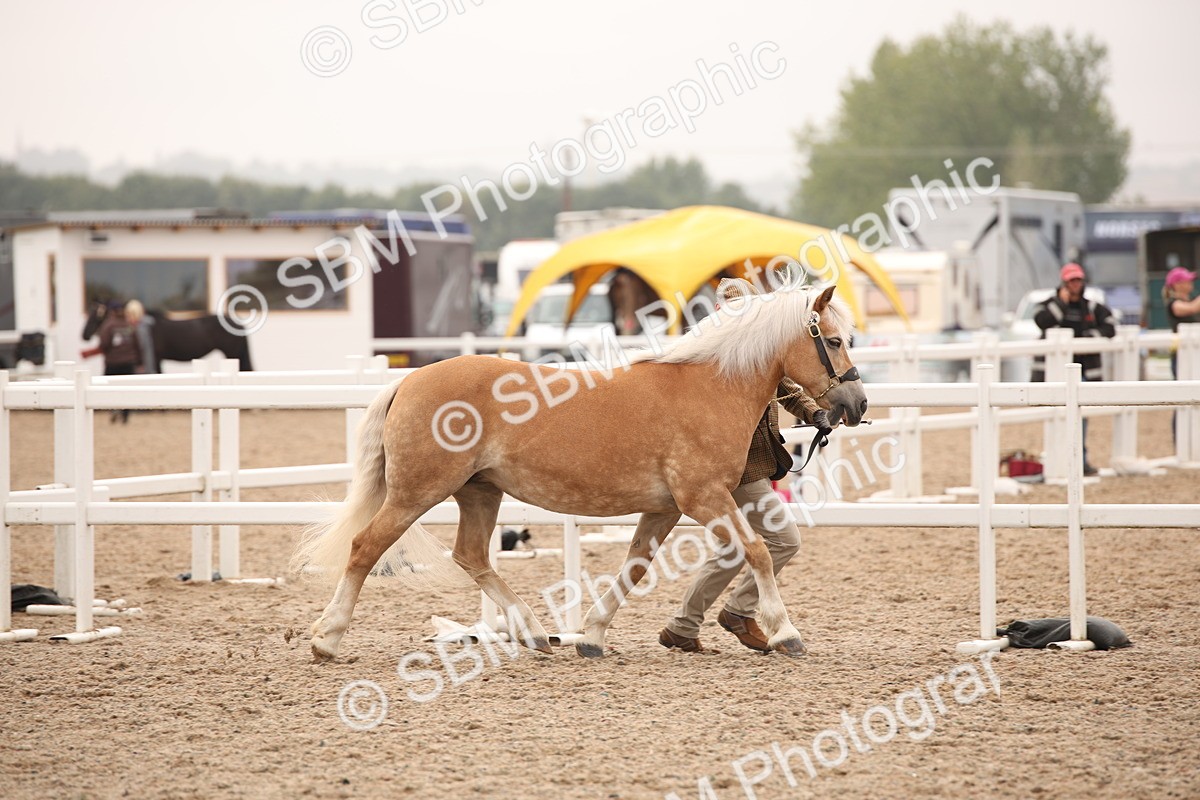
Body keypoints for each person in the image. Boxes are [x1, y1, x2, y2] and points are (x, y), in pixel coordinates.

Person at [659, 377, 828, 654]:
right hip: (741, 470)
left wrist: (815, 413)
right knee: (785, 539)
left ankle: (682, 626)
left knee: (734, 549)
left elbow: (789, 393)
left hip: (751, 467)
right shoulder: (732, 362)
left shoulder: (765, 355)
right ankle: (739, 611)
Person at [1032, 262, 1117, 476]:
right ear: (1063, 283)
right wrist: (1061, 303)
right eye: (1071, 281)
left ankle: (1080, 460)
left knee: (1081, 418)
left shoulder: (1091, 307)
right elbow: (1042, 321)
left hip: (1083, 373)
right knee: (1054, 415)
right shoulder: (1050, 304)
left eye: (1078, 280)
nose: (1075, 284)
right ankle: (1057, 460)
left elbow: (1110, 326)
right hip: (1055, 373)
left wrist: (1085, 339)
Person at [96, 302, 142, 423]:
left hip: (113, 363)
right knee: (128, 390)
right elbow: (137, 344)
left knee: (110, 389)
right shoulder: (129, 325)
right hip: (128, 363)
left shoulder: (108, 325)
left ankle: (114, 409)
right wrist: (138, 361)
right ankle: (125, 415)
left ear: (112, 312)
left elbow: (104, 344)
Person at [123, 299, 158, 374]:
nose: (127, 318)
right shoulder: (136, 328)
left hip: (144, 371)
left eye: (129, 314)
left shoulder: (142, 329)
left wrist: (149, 371)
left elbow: (146, 351)